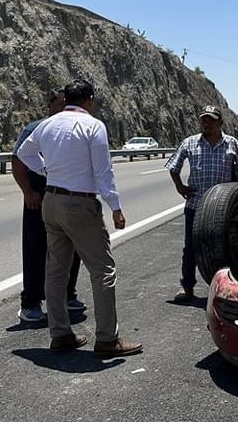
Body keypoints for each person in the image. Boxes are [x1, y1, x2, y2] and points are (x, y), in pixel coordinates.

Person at [17, 79, 142, 355]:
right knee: (102, 270)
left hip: (52, 201)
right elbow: (103, 171)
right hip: (79, 204)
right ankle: (108, 339)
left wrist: (47, 171)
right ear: (90, 100)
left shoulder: (47, 124)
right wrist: (116, 207)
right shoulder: (93, 125)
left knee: (56, 270)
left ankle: (60, 334)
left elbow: (23, 153)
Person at [12, 88, 85, 322]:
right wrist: (28, 192)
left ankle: (67, 294)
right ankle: (30, 303)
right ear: (50, 105)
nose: (65, 107)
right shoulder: (35, 129)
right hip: (39, 199)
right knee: (37, 251)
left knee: (72, 249)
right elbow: (18, 160)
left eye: (68, 103)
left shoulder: (76, 129)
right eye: (60, 103)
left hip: (69, 199)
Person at [165, 105, 238, 302]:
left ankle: (228, 289)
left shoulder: (232, 143)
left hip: (223, 210)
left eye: (211, 120)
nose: (207, 123)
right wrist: (180, 187)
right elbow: (173, 166)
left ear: (220, 123)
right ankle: (187, 288)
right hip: (196, 206)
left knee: (226, 246)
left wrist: (235, 197)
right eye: (204, 119)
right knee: (191, 248)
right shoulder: (190, 143)